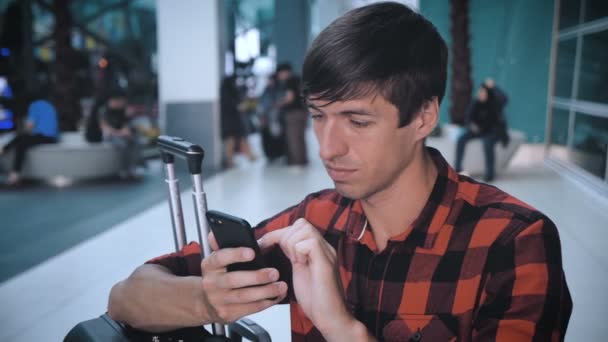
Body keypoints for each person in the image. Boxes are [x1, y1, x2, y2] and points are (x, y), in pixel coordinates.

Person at [108, 3, 572, 341]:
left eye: (357, 121)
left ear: (424, 117)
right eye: (318, 115)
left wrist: (341, 328)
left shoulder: (512, 243)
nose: (328, 147)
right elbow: (127, 296)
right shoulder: (315, 223)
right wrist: (209, 301)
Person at [454, 78, 509, 182]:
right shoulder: (475, 103)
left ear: (488, 93)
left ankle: (490, 173)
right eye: (480, 92)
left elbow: (505, 99)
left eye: (484, 93)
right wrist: (472, 126)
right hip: (477, 130)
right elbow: (468, 118)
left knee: (487, 143)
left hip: (491, 131)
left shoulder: (495, 103)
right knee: (461, 139)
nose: (481, 95)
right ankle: (457, 168)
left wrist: (494, 87)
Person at [0, 92, 58, 185]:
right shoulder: (49, 105)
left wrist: (24, 129)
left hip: (43, 137)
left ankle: (14, 173)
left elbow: (29, 126)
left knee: (21, 144)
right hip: (53, 138)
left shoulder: (34, 106)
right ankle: (4, 150)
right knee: (21, 139)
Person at [99, 90, 139, 179]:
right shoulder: (104, 111)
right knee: (123, 144)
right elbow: (106, 128)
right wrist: (120, 133)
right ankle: (124, 169)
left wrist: (126, 130)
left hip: (122, 135)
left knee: (134, 142)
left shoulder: (123, 110)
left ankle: (133, 168)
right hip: (110, 136)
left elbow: (127, 125)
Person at [220, 75, 257, 168]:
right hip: (230, 121)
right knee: (232, 140)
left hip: (233, 120)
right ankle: (231, 160)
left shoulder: (229, 91)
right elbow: (238, 106)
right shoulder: (227, 93)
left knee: (239, 138)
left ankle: (248, 156)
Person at [276, 62, 308, 166]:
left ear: (284, 72)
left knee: (293, 138)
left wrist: (279, 103)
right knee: (301, 137)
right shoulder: (299, 79)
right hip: (302, 112)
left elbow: (290, 98)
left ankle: (297, 162)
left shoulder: (289, 81)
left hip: (292, 113)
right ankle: (303, 160)